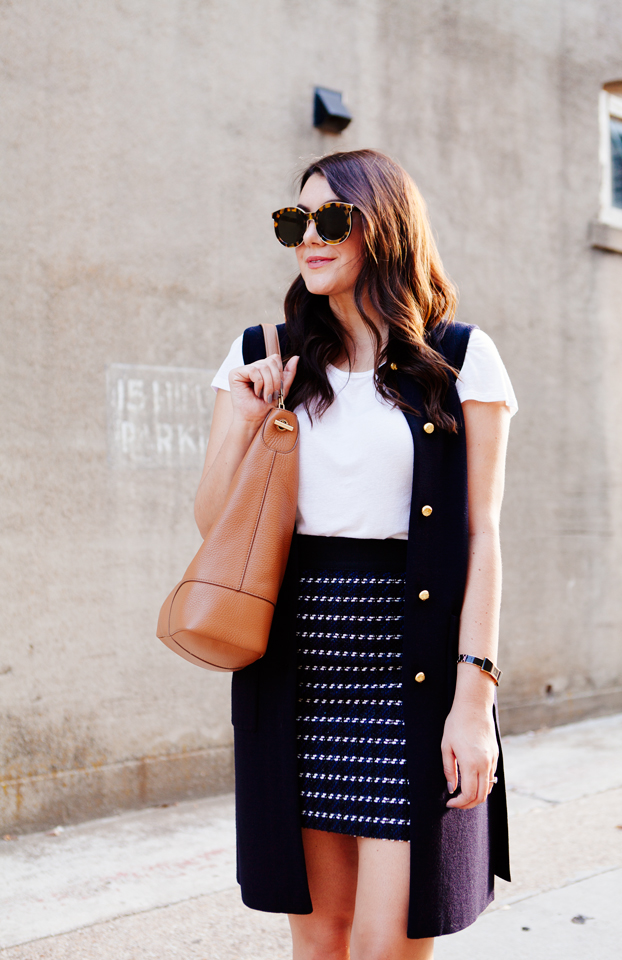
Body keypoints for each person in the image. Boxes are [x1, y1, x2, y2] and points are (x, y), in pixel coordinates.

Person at [195, 149, 517, 960]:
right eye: (293, 221)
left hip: (410, 673)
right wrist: (243, 414)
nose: (310, 237)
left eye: (332, 219)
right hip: (296, 675)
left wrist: (473, 702)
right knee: (322, 941)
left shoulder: (459, 359)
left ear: (386, 230)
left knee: (387, 943)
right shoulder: (264, 355)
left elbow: (481, 535)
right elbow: (214, 525)